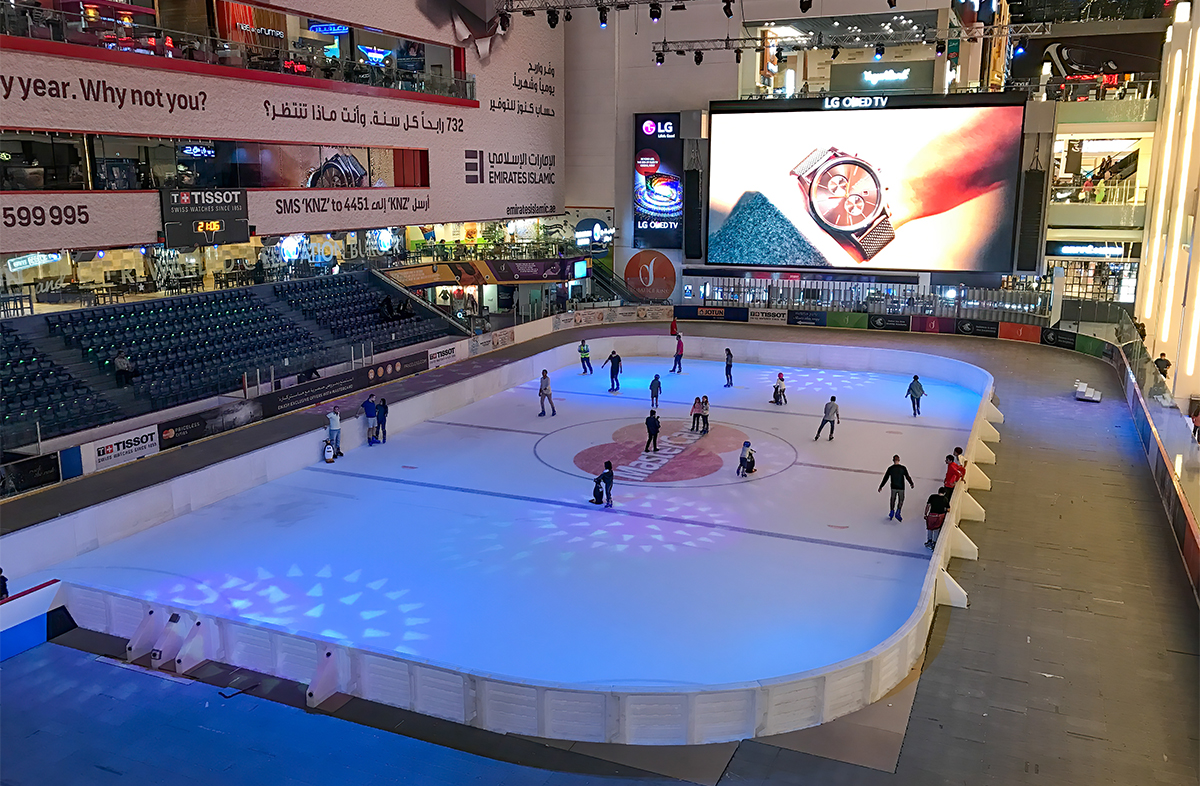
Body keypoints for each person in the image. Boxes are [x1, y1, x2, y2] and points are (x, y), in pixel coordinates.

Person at [878, 455, 915, 521]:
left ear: (893, 460)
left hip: (893, 487)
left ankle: (892, 512)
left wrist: (881, 486)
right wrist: (911, 483)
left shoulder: (890, 468)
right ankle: (898, 512)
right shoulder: (903, 468)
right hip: (901, 487)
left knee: (892, 499)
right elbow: (907, 476)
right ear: (899, 460)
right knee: (901, 500)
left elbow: (885, 478)